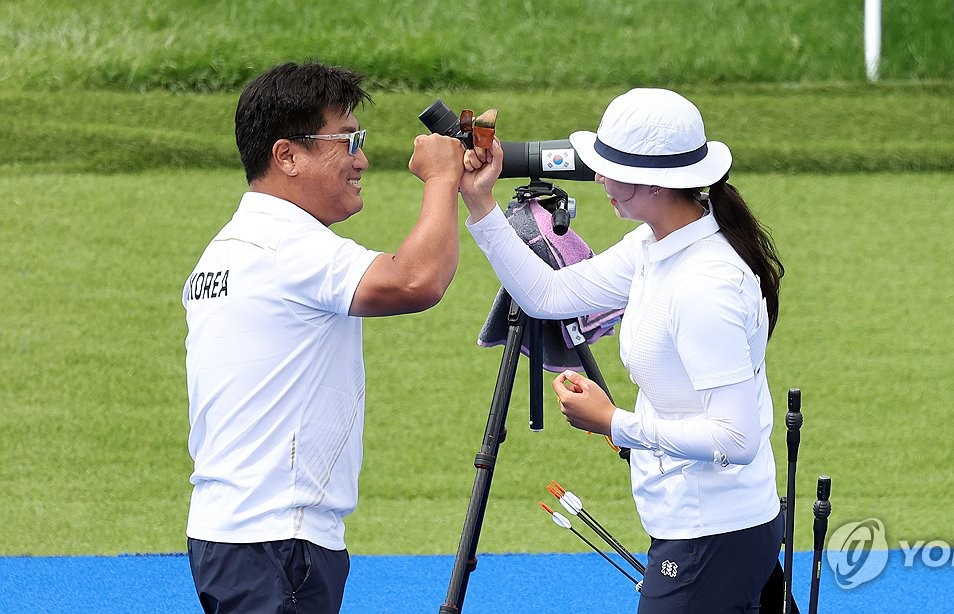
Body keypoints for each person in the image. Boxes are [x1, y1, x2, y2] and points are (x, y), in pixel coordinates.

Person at [460, 88, 788, 612]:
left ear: (656, 184)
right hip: (701, 526)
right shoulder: (652, 244)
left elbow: (737, 438)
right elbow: (549, 295)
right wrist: (480, 204)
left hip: (714, 533)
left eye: (609, 169)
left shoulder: (706, 285)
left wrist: (614, 422)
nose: (598, 180)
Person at [182, 61, 467, 613]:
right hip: (277, 540)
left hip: (234, 534)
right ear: (287, 155)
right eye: (348, 140)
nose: (361, 159)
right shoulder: (284, 246)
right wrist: (442, 179)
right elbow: (417, 280)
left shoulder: (228, 249)